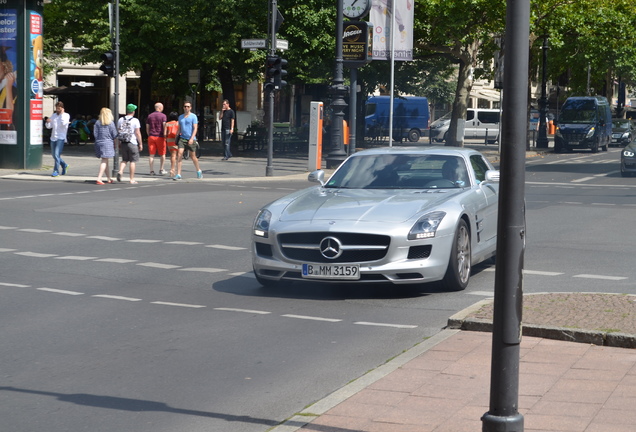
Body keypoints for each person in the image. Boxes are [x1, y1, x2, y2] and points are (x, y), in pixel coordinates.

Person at [116, 103, 143, 184]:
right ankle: (131, 179)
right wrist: (140, 143)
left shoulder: (120, 119)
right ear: (133, 111)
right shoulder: (135, 120)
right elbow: (137, 133)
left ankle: (120, 171)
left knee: (124, 159)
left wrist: (119, 142)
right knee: (132, 161)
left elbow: (118, 131)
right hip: (132, 142)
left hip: (123, 142)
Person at [174, 102, 202, 180]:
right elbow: (179, 128)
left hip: (191, 138)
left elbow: (195, 128)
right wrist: (176, 137)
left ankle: (198, 170)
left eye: (188, 106)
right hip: (182, 138)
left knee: (193, 156)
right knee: (179, 154)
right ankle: (178, 174)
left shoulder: (193, 116)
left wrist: (192, 138)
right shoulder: (180, 117)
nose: (186, 108)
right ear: (183, 107)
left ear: (190, 108)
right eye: (185, 106)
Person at [45, 101, 71, 177]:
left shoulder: (66, 115)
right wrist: (48, 122)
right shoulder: (54, 115)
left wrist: (62, 114)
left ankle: (56, 171)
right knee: (54, 155)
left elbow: (63, 124)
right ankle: (64, 165)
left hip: (61, 137)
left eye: (59, 108)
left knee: (57, 154)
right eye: (56, 108)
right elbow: (49, 126)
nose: (57, 110)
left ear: (62, 108)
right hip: (53, 137)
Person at [93, 107, 118, 184]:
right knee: (104, 160)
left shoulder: (97, 122)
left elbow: (95, 134)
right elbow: (114, 134)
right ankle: (99, 178)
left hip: (99, 142)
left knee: (105, 160)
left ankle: (108, 178)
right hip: (107, 142)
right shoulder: (111, 123)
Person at [146, 102, 167, 175]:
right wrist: (165, 134)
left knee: (151, 154)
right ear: (160, 108)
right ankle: (161, 169)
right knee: (162, 154)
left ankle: (151, 170)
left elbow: (147, 127)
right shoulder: (163, 116)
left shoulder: (150, 116)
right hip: (160, 137)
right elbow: (164, 125)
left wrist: (149, 134)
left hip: (151, 136)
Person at [164, 111, 180, 178]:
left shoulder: (167, 124)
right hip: (177, 140)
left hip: (169, 140)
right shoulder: (178, 123)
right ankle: (175, 169)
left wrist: (166, 139)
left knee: (172, 155)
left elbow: (165, 134)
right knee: (177, 155)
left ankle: (172, 169)